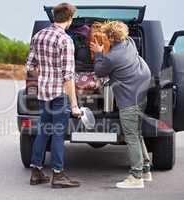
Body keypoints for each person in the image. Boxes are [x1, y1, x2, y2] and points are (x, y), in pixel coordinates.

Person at [90, 21, 152, 189]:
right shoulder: (129, 42)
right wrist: (104, 51)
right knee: (137, 134)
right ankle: (145, 170)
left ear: (110, 37)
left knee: (131, 137)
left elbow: (99, 71)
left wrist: (98, 54)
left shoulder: (111, 58)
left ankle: (136, 176)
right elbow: (114, 56)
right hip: (141, 95)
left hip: (129, 100)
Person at [26, 3, 82, 188]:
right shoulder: (65, 40)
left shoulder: (38, 36)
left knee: (43, 131)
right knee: (58, 134)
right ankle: (58, 175)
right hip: (59, 94)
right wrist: (74, 104)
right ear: (70, 19)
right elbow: (68, 76)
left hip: (44, 93)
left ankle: (36, 172)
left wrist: (43, 76)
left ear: (54, 17)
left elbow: (30, 67)